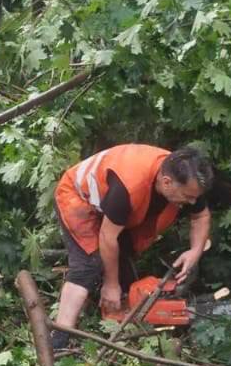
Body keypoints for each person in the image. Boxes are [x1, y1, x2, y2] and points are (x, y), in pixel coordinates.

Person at [52, 144, 213, 352]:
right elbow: (108, 237)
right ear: (167, 182)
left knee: (124, 259)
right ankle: (59, 340)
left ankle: (112, 315)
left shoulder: (188, 179)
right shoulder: (129, 187)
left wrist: (195, 250)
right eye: (187, 196)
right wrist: (111, 284)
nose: (192, 202)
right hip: (78, 198)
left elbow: (201, 216)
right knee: (88, 265)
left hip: (117, 210)